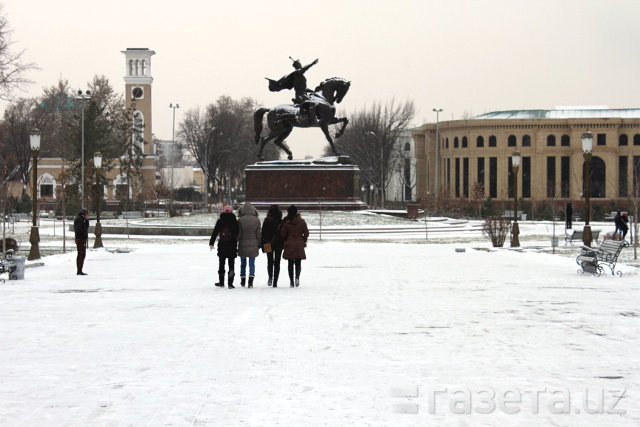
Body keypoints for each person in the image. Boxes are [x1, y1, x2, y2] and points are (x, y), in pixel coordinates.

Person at [209, 205, 239, 289]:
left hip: (222, 245)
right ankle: (230, 283)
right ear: (231, 211)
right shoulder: (234, 221)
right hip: (232, 245)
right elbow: (237, 233)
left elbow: (215, 232)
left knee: (221, 263)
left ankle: (221, 282)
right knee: (231, 264)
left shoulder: (220, 221)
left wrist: (211, 243)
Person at [280, 205, 309, 287]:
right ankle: (297, 278)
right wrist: (303, 239)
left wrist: (286, 239)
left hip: (289, 244)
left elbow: (282, 234)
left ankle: (291, 281)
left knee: (290, 263)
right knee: (298, 262)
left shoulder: (286, 222)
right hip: (299, 243)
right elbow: (306, 232)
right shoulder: (302, 221)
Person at [237, 201, 261, 288]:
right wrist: (259, 244)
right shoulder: (256, 220)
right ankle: (250, 282)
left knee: (243, 263)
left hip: (243, 244)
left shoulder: (240, 220)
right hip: (253, 244)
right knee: (252, 264)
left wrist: (236, 241)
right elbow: (258, 234)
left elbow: (238, 234)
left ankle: (243, 280)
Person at [261, 205, 284, 287]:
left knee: (270, 261)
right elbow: (283, 234)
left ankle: (270, 277)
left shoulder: (267, 221)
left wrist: (263, 242)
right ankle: (275, 282)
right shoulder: (281, 221)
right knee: (277, 262)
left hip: (267, 243)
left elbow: (263, 233)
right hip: (279, 243)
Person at [74, 209, 89, 275]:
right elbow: (79, 230)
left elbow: (86, 227)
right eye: (86, 214)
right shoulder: (79, 220)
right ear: (83, 214)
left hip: (82, 239)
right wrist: (83, 236)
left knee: (82, 254)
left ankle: (80, 269)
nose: (87, 216)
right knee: (81, 254)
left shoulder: (82, 220)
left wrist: (87, 220)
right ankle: (79, 270)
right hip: (80, 239)